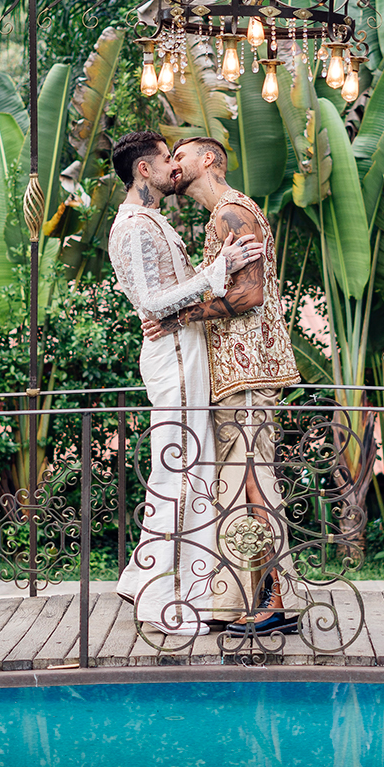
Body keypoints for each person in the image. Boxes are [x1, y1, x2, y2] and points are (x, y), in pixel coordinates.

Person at [142, 136, 303, 636]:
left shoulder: (233, 211)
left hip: (249, 370)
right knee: (237, 486)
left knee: (253, 483)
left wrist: (179, 315)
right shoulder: (223, 217)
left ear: (207, 160)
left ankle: (281, 599)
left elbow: (250, 294)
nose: (174, 166)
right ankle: (245, 599)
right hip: (234, 373)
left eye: (181, 156)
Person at [107, 131, 263, 636]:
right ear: (143, 171)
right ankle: (161, 598)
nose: (174, 168)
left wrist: (210, 277)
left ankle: (163, 581)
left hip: (186, 353)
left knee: (193, 466)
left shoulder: (152, 221)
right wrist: (217, 271)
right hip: (173, 357)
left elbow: (167, 295)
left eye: (180, 158)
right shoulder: (134, 225)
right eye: (164, 160)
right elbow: (153, 304)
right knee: (179, 465)